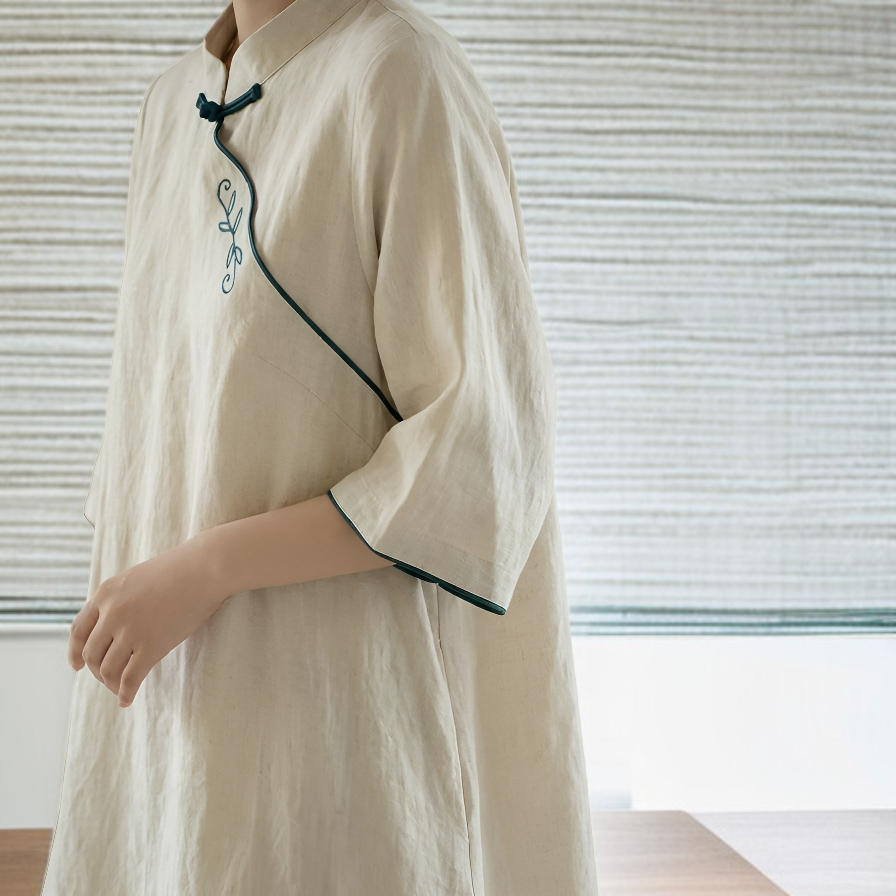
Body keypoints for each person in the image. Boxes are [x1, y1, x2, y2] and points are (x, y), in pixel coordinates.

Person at [41, 0, 600, 893]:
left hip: (333, 735)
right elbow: (158, 426)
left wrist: (206, 569)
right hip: (160, 729)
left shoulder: (399, 72)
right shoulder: (171, 104)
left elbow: (478, 445)